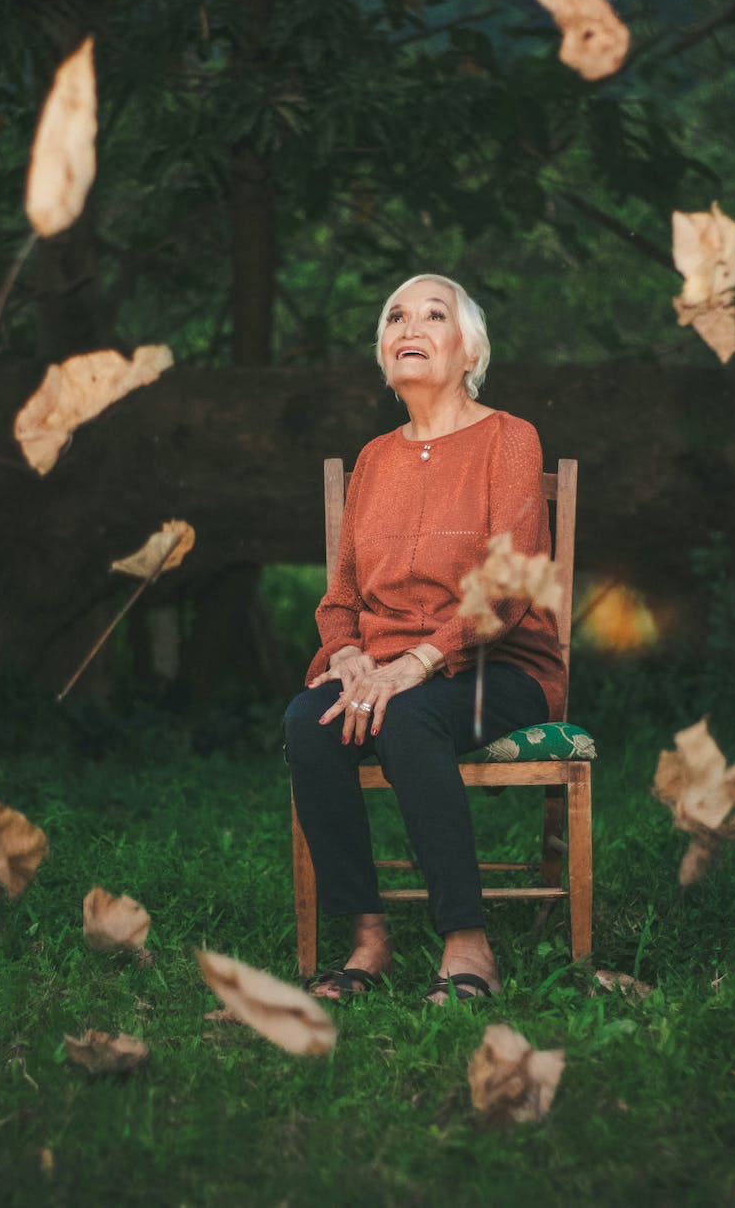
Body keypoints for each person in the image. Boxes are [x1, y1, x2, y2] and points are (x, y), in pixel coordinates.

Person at [283, 272, 566, 1005]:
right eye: (395, 317)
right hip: (386, 669)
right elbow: (341, 595)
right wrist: (346, 656)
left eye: (433, 314)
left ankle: (468, 945)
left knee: (409, 718)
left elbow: (505, 592)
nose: (409, 326)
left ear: (469, 349)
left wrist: (415, 662)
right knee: (307, 723)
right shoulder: (374, 459)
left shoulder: (509, 438)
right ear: (383, 352)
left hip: (500, 664)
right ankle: (368, 938)